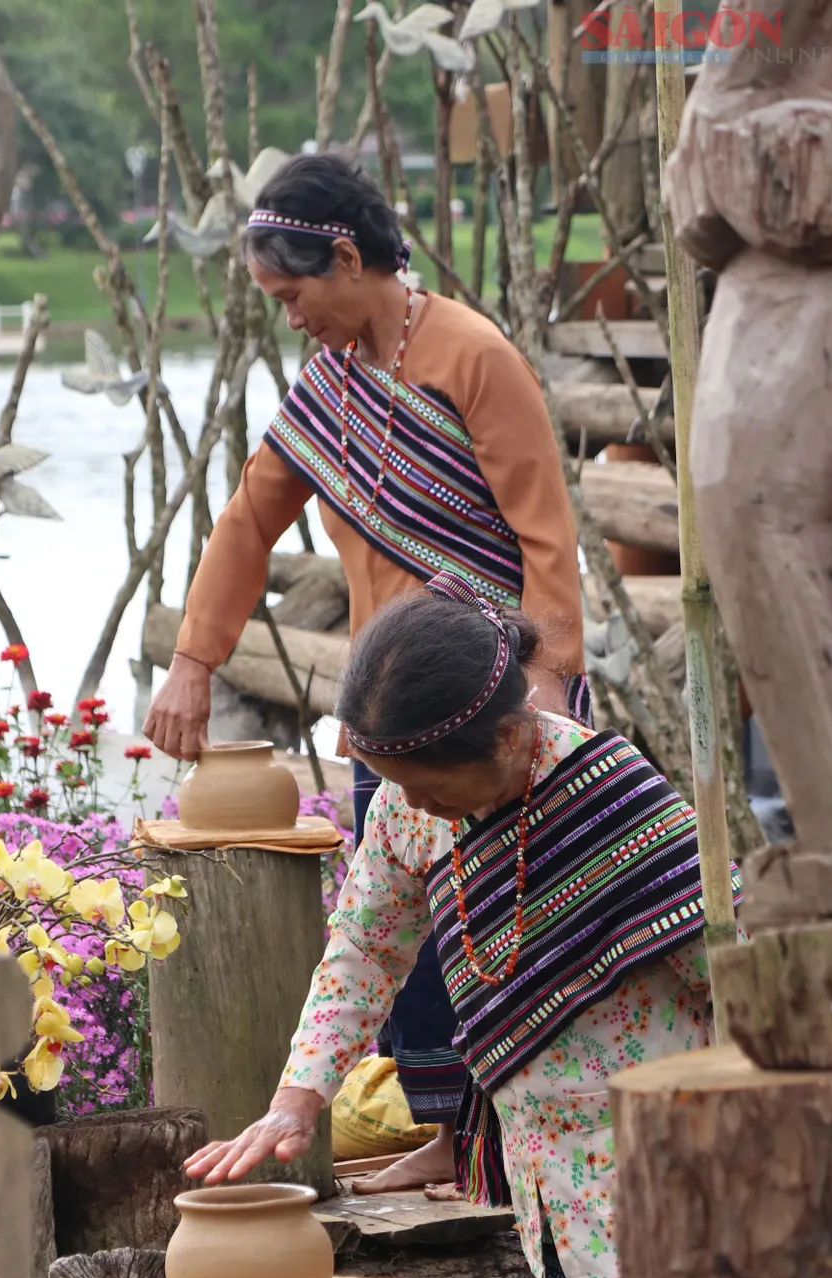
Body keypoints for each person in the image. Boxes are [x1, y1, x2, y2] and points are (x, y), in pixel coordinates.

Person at [182, 571, 743, 1278]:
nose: (420, 809)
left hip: (668, 1187)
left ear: (514, 738)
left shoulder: (617, 805)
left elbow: (732, 985)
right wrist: (298, 1098)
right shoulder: (411, 803)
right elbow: (365, 945)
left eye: (436, 790)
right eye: (402, 789)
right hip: (549, 1201)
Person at [144, 149, 589, 1195]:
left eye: (293, 292)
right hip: (389, 711)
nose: (289, 315)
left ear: (345, 257)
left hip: (494, 702)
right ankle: (442, 1129)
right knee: (402, 917)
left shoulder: (471, 355)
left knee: (513, 916)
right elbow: (251, 519)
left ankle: (517, 1136)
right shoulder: (329, 385)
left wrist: (546, 690)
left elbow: (544, 536)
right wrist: (193, 661)